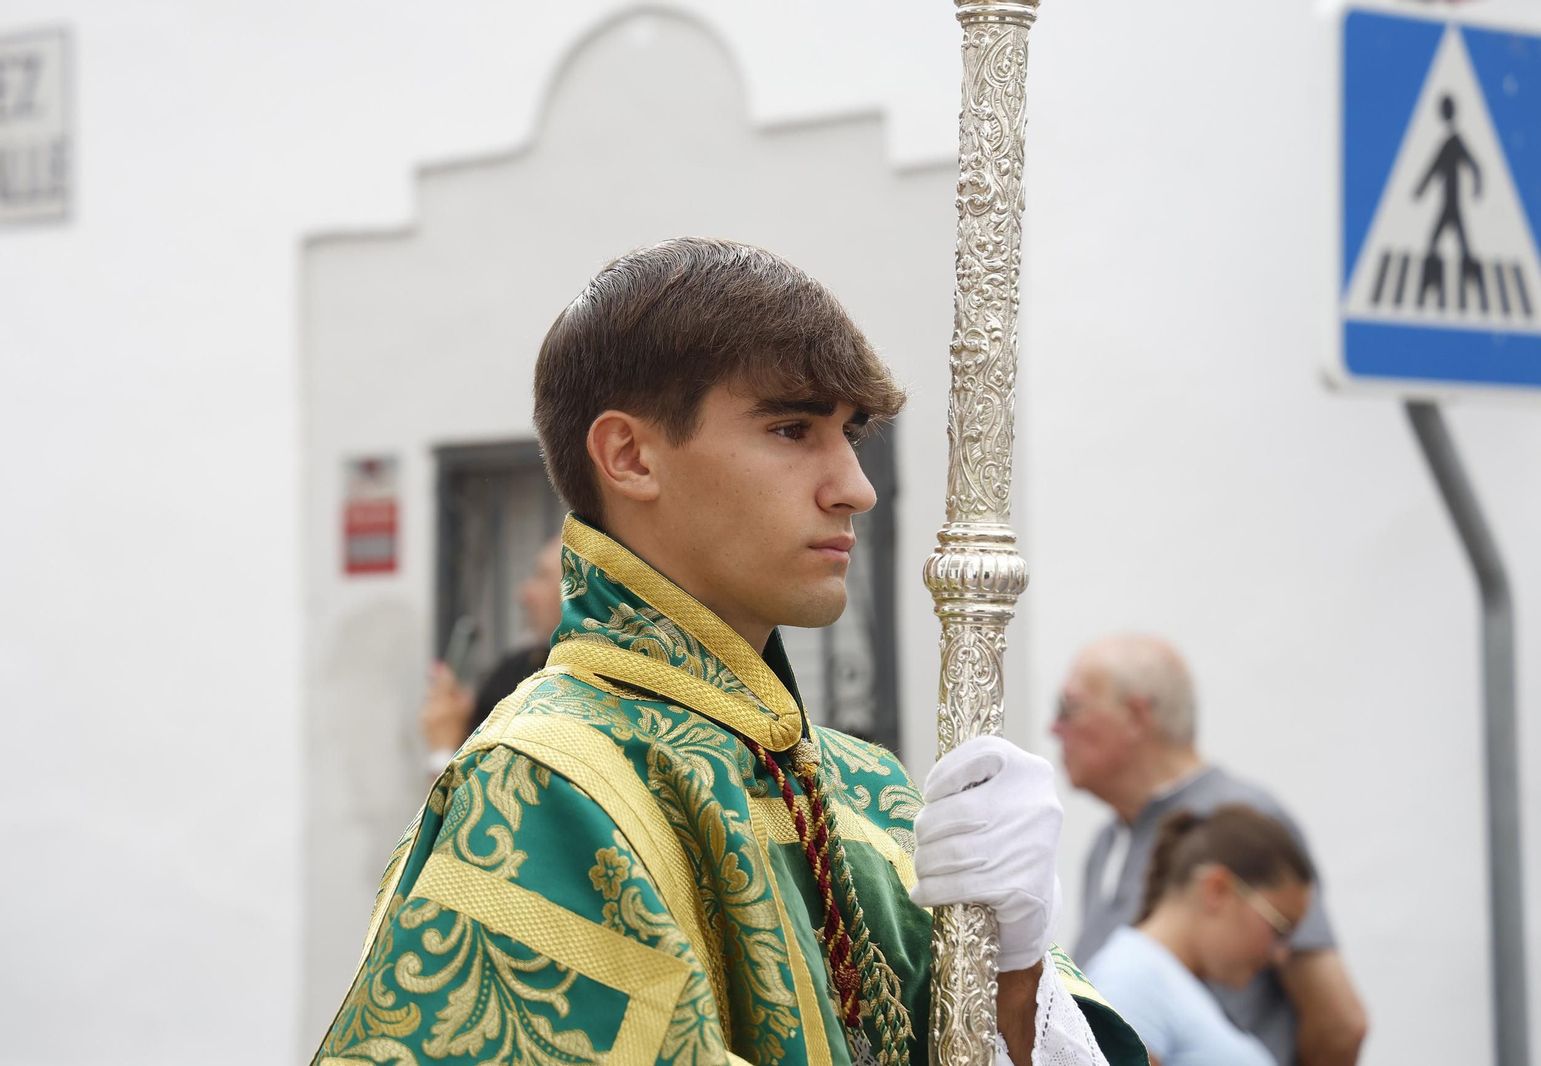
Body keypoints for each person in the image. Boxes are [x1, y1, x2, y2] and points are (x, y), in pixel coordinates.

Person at [313, 238, 1146, 1066]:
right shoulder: (548, 784)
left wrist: (1015, 969)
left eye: (850, 433)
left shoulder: (869, 797)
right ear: (631, 456)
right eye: (792, 429)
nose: (856, 486)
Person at [1053, 635, 1367, 1066]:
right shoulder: (1106, 844)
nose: (1055, 728)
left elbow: (1338, 1024)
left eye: (1070, 708)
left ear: (1136, 716)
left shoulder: (1242, 820)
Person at [1085, 806, 1315, 1066]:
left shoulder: (1158, 980)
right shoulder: (1131, 979)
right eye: (1280, 927)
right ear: (1217, 890)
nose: (1280, 955)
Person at [419, 535, 565, 770]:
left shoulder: (565, 690)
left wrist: (442, 750)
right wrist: (462, 721)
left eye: (542, 576)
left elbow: (465, 805)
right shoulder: (517, 669)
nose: (523, 594)